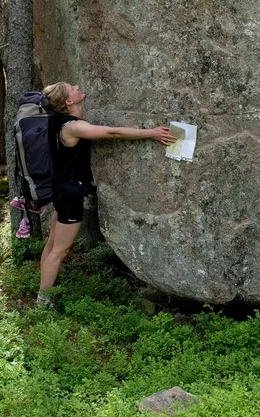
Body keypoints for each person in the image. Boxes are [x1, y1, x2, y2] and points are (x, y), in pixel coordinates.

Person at [35, 81, 177, 310]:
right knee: (60, 251)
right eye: (73, 88)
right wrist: (151, 133)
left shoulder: (66, 123)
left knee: (53, 245)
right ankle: (43, 303)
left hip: (62, 191)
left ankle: (43, 290)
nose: (78, 86)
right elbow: (112, 132)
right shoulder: (73, 127)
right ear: (69, 102)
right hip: (70, 196)